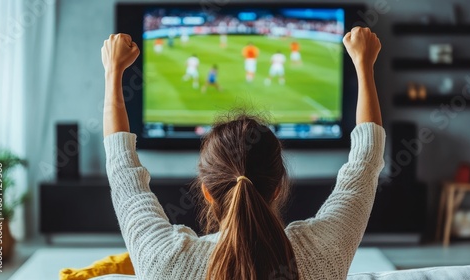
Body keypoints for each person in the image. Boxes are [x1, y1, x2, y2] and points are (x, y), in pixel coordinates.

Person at [101, 27, 383, 279]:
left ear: (207, 191)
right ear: (278, 188)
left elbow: (124, 174)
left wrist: (114, 73)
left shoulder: (163, 260)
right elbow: (366, 162)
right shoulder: (323, 251)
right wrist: (364, 65)